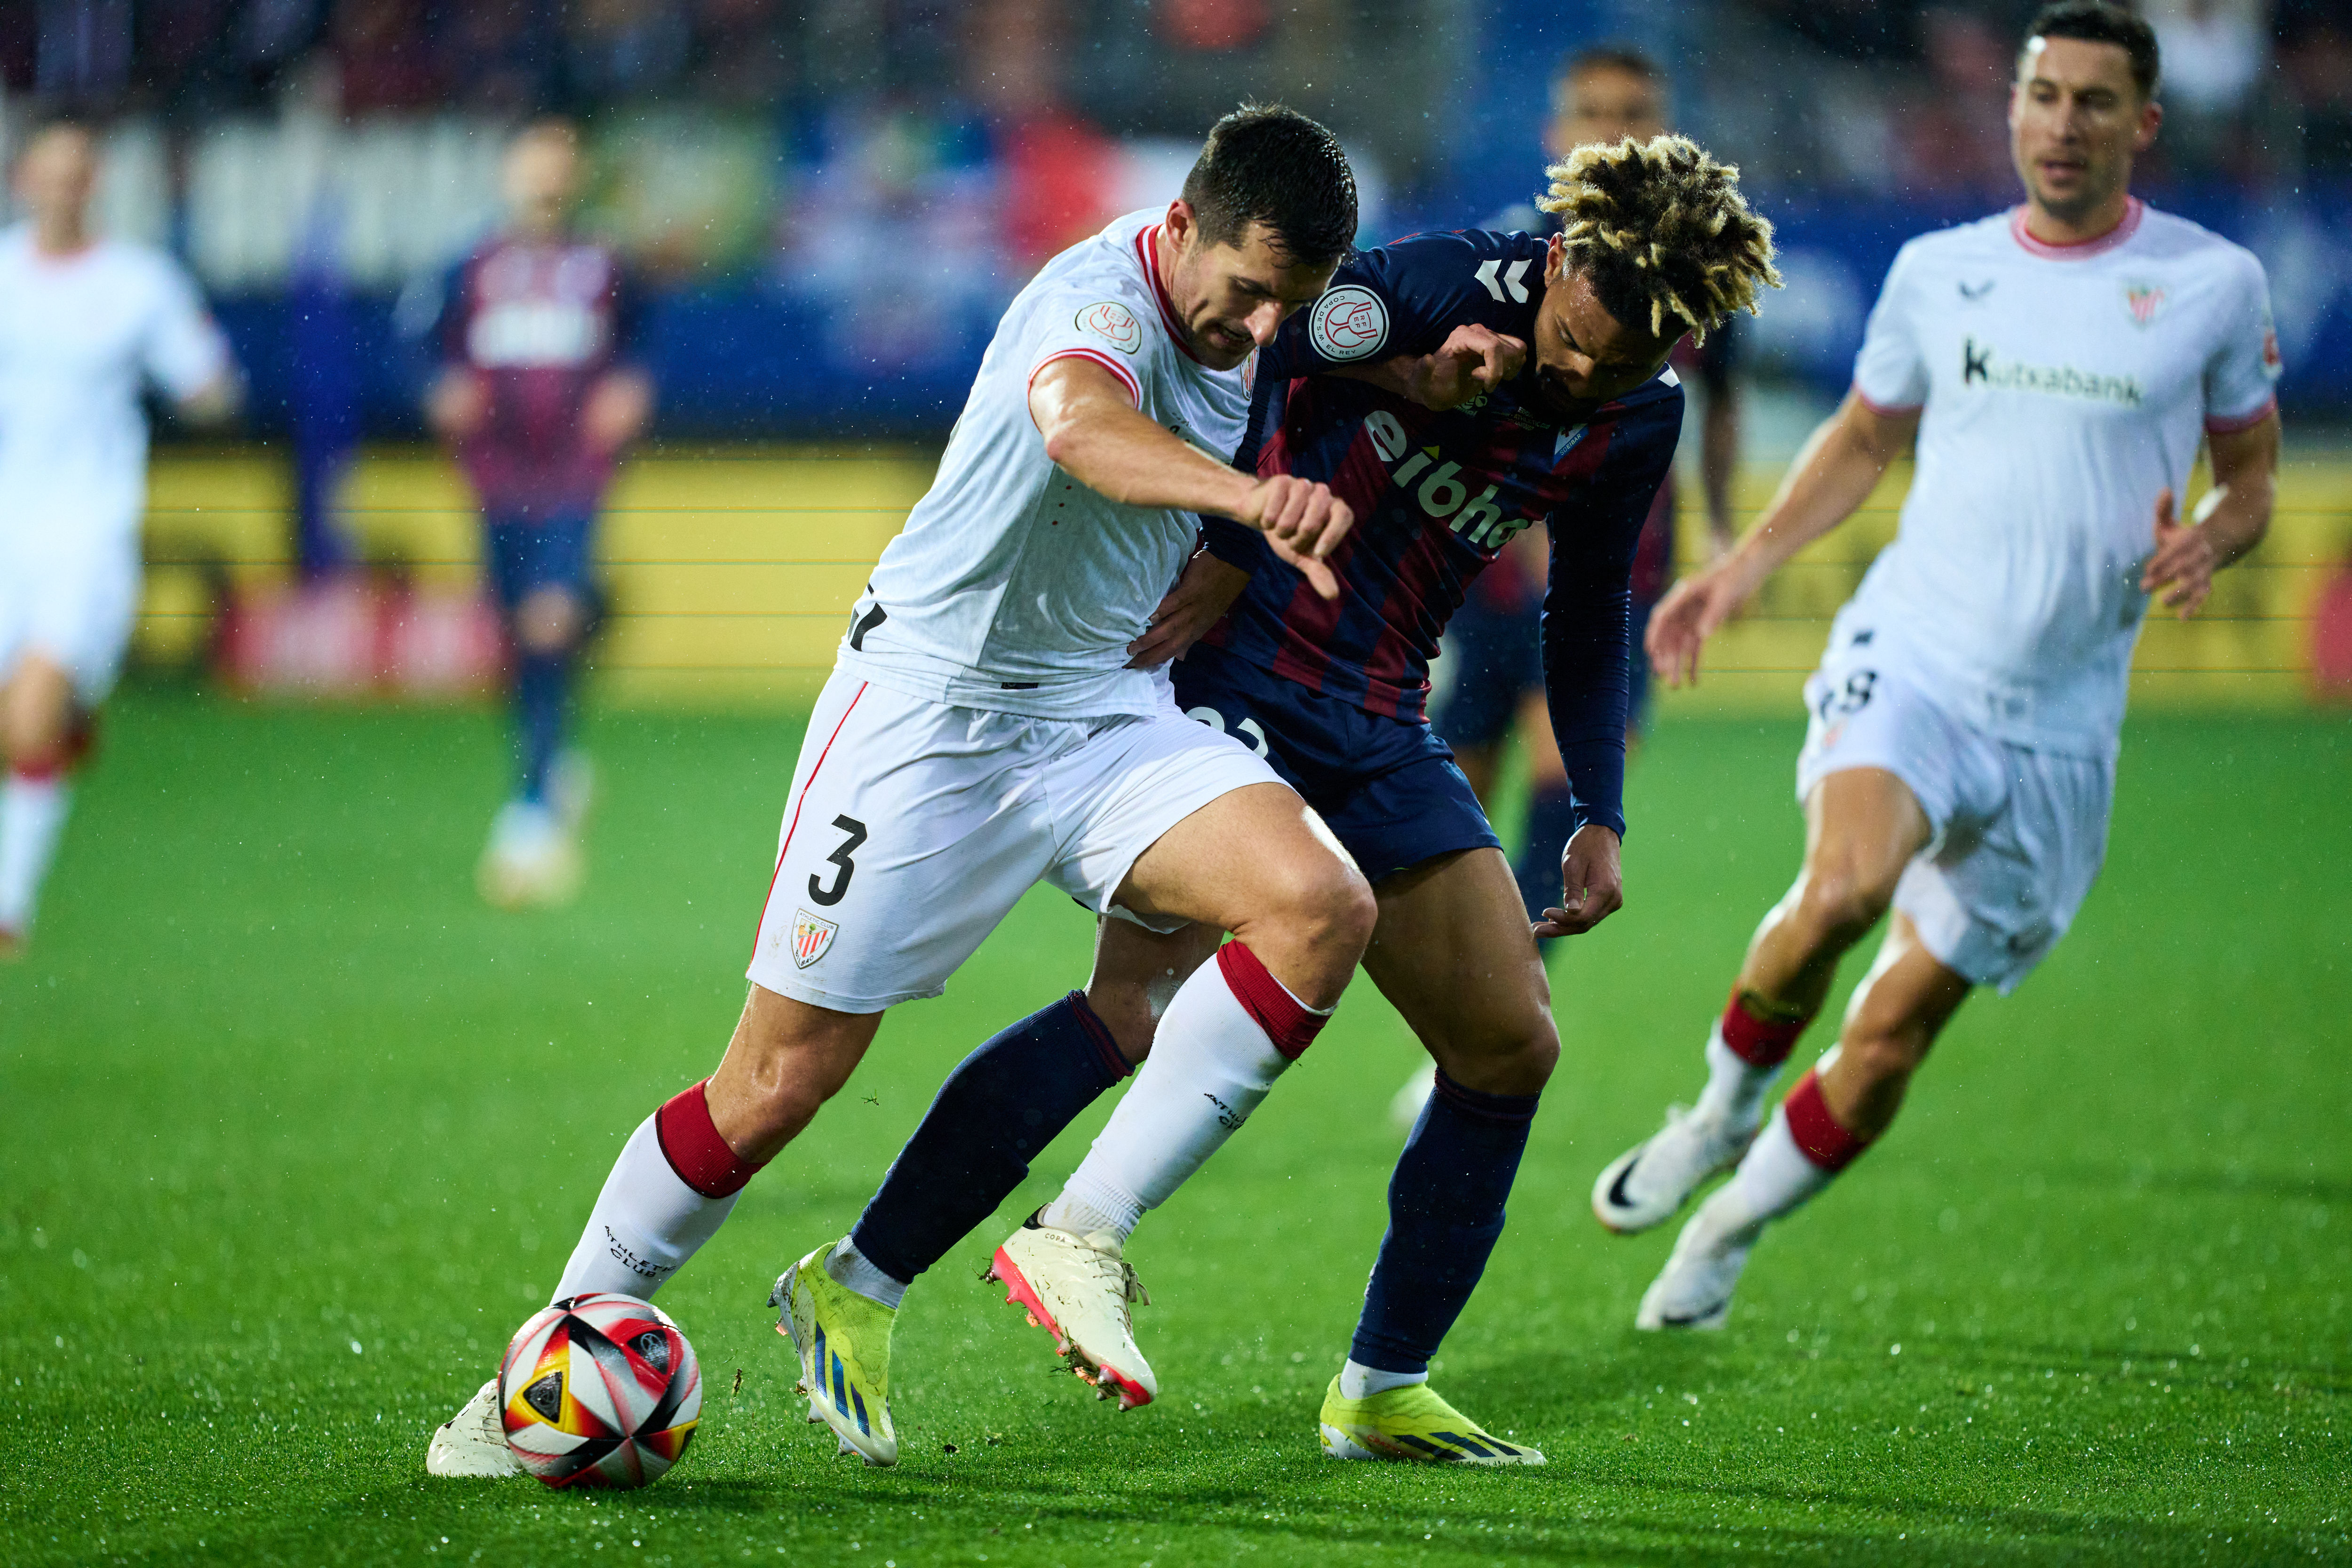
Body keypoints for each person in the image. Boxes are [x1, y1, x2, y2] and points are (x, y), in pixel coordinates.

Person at [803, 136, 1779, 1467]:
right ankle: (874, 1280)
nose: (1580, 381)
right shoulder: (1436, 283)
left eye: (1618, 369)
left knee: (1508, 1042)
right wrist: (1230, 532)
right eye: (1573, 345)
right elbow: (1247, 346)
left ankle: (1381, 1385)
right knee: (1134, 1007)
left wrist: (1599, 800)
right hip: (1237, 670)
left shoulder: (1638, 408)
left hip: (1380, 715)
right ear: (1556, 264)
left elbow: (1590, 599)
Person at [426, 103, 1370, 1478]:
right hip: (931, 713)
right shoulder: (1095, 293)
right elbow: (1080, 427)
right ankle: (545, 1352)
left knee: (1314, 906)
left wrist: (1242, 537)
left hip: (1101, 711)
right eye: (1243, 297)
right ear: (1179, 232)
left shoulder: (1267, 332)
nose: (1263, 330)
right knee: (778, 1080)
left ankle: (1033, 1243)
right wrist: (1241, 504)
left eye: (1293, 305)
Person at [1596, 1, 2282, 1331]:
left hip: (2063, 731)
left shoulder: (2214, 286)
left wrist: (2213, 539)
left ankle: (1733, 1225)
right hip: (1919, 656)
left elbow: (2249, 481)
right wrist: (1738, 568)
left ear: (2143, 123)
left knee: (1897, 1023)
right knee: (1843, 887)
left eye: (2093, 101)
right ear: (2012, 109)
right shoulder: (1939, 270)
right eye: (2043, 95)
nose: (2062, 124)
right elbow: (1862, 437)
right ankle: (1716, 1113)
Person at [1443, 45, 1747, 932]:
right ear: (1555, 132)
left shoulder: (1696, 275)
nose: (1615, 132)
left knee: (1563, 791)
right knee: (1445, 807)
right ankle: (1464, 1001)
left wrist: (1722, 525)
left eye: (1635, 112)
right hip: (1473, 574)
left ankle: (1494, 1013)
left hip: (1618, 575)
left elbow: (1719, 398)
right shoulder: (1506, 250)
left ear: (1669, 129)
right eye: (1594, 112)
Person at [0, 117, 239, 957]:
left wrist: (209, 382)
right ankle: (71, 723)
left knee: (28, 714)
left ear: (93, 184)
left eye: (78, 173)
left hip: (86, 529)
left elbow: (207, 381)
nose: (63, 187)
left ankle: (9, 905)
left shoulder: (138, 284)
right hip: (6, 524)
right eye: (49, 172)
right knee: (17, 725)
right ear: (22, 178)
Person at [419, 118, 653, 909]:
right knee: (514, 632)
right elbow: (419, 346)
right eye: (534, 165)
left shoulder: (605, 264)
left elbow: (644, 344)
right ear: (511, 174)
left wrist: (631, 388)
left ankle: (528, 813)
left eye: (560, 165)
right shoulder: (470, 267)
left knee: (548, 620)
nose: (547, 181)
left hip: (573, 476)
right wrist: (438, 387)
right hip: (494, 475)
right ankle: (555, 764)